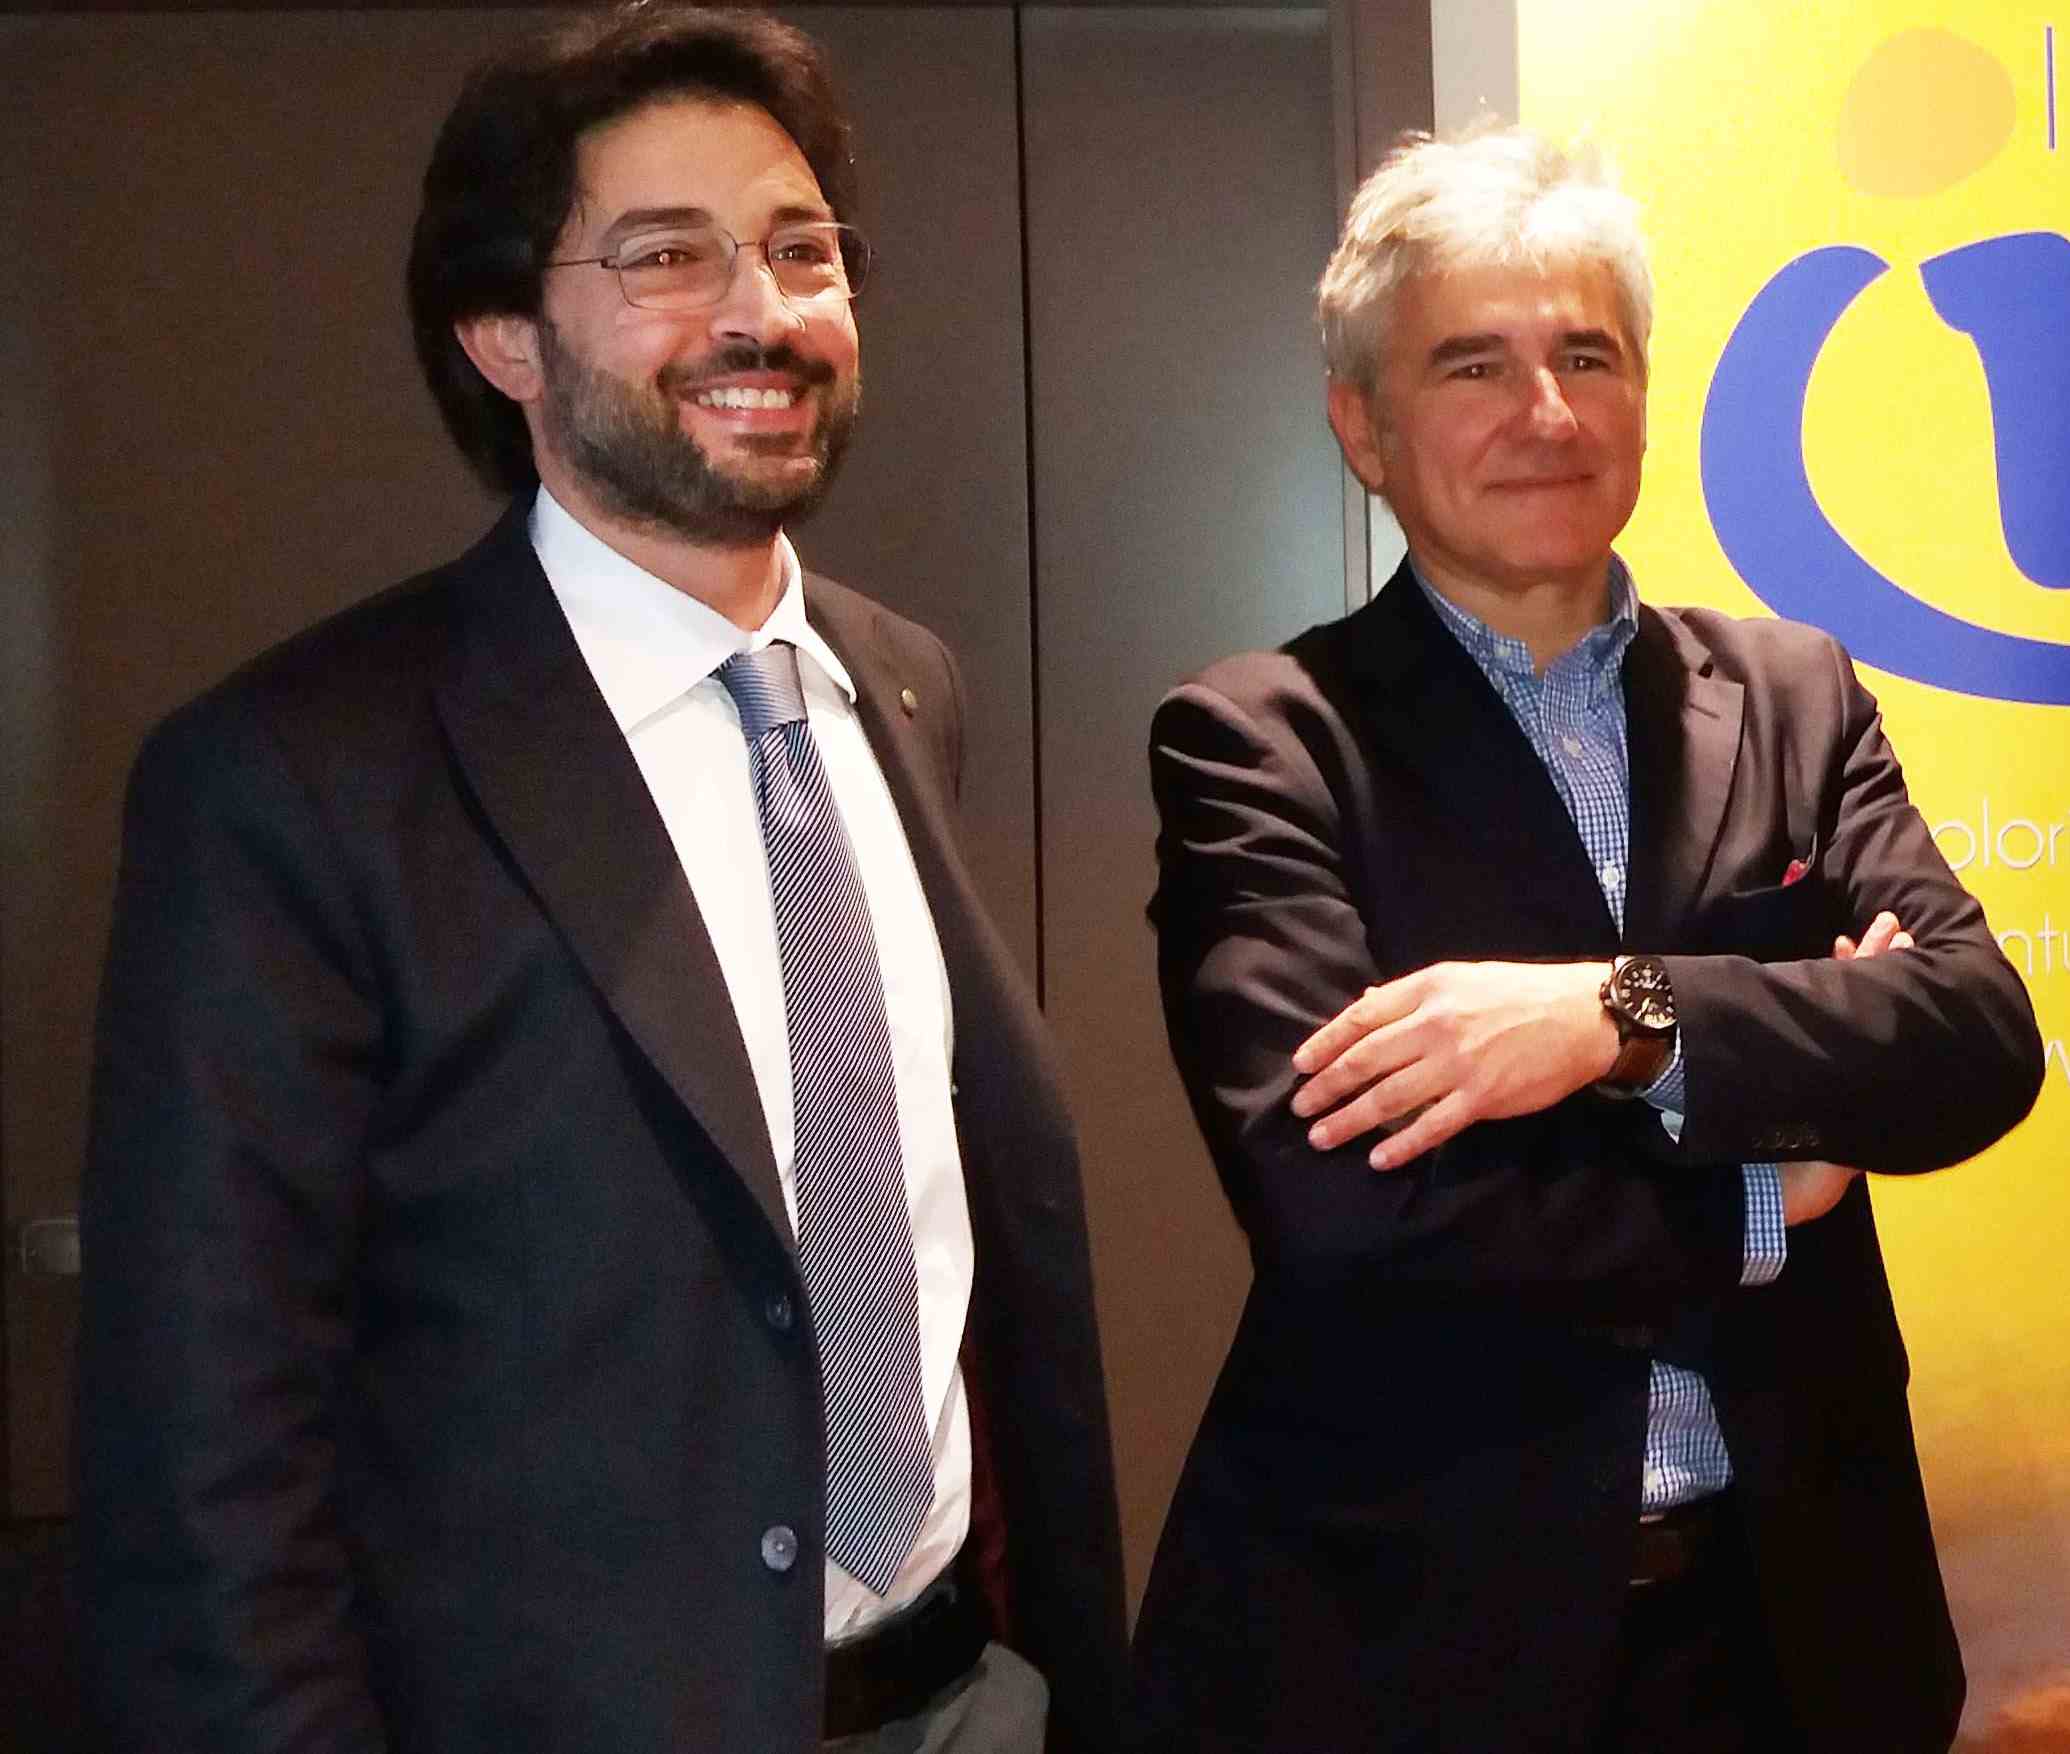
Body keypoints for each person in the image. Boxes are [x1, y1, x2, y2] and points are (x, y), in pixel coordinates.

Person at [74, 10, 1125, 1751]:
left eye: (800, 250)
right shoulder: (295, 774)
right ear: (504, 336)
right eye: (664, 256)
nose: (759, 312)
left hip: (970, 1694)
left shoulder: (902, 688)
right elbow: (203, 1463)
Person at [1130, 127, 2043, 1754]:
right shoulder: (1263, 743)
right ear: (1363, 425)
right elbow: (1341, 1204)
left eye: (1585, 356)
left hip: (1799, 1630)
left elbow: (1972, 1037)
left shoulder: (1791, 693)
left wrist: (1619, 1020)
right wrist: (1763, 1186)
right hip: (1419, 1646)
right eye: (1472, 363)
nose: (1544, 412)